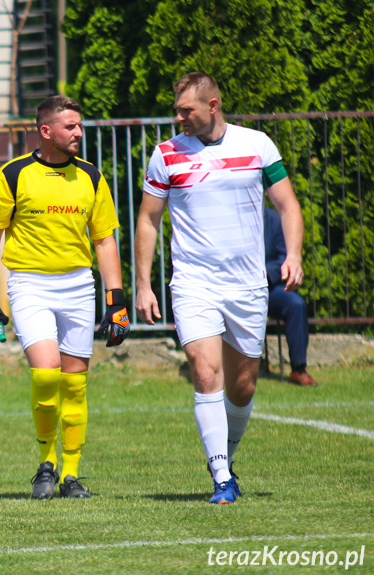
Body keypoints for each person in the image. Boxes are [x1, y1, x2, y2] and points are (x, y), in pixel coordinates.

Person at [135, 72, 304, 504]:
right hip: (193, 282)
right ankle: (221, 478)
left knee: (243, 384)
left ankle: (224, 457)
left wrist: (294, 255)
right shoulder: (166, 154)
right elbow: (149, 220)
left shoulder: (257, 144)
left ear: (213, 105)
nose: (179, 118)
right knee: (206, 371)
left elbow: (287, 204)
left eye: (186, 110)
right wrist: (143, 284)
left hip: (247, 285)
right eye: (177, 109)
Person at [0, 96, 130, 500]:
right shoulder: (13, 174)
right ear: (46, 131)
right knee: (46, 373)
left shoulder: (92, 176)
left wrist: (117, 300)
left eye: (80, 126)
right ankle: (46, 463)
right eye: (70, 127)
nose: (78, 133)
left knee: (75, 385)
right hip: (28, 283)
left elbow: (104, 240)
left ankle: (71, 475)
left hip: (79, 284)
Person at [264, 206, 317, 386]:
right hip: (235, 287)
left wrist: (265, 273)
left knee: (296, 304)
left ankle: (298, 370)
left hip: (268, 288)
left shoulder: (273, 218)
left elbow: (283, 258)